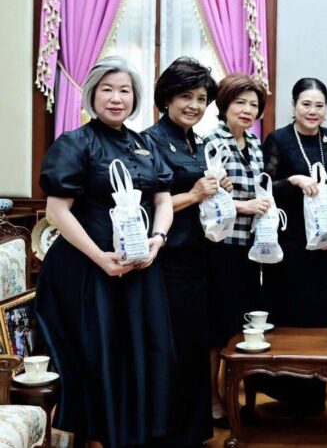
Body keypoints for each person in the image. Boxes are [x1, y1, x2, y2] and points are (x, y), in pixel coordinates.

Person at [35, 56, 174, 448]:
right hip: (87, 269)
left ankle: (134, 434)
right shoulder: (74, 142)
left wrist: (157, 240)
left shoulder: (145, 143)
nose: (116, 98)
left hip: (140, 263)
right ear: (92, 93)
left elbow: (163, 201)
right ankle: (99, 435)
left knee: (142, 350)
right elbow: (56, 211)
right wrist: (100, 257)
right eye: (107, 90)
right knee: (100, 354)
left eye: (124, 90)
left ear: (136, 97)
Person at [142, 56, 231, 446]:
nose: (194, 105)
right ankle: (166, 433)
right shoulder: (149, 142)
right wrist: (194, 194)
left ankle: (193, 431)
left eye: (200, 98)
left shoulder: (195, 140)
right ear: (166, 98)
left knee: (196, 347)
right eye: (185, 97)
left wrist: (216, 187)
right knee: (169, 349)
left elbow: (201, 195)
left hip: (200, 259)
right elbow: (147, 206)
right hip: (167, 262)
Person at [261, 77, 327, 415]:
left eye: (319, 105)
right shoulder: (279, 139)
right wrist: (293, 181)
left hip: (324, 242)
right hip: (289, 242)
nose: (313, 111)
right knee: (286, 313)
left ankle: (313, 391)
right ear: (294, 106)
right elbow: (266, 188)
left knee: (316, 315)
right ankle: (282, 388)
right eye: (306, 104)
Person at [204, 73, 270, 426]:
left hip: (250, 249)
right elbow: (208, 197)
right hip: (221, 248)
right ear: (225, 105)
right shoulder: (212, 141)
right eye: (240, 103)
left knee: (240, 325)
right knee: (218, 330)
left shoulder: (255, 144)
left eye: (254, 105)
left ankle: (234, 396)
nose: (247, 110)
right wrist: (244, 206)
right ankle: (213, 399)